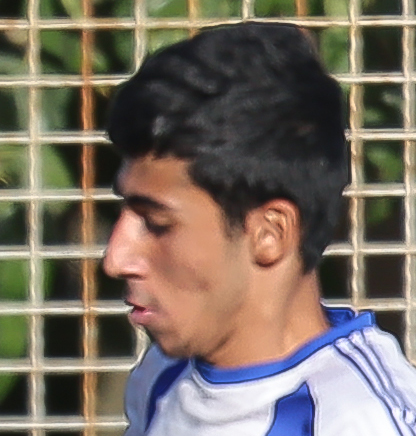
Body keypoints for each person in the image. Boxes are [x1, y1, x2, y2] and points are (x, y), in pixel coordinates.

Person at [103, 22, 416, 436]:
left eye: (157, 224)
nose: (115, 258)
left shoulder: (358, 422)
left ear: (270, 234)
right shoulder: (163, 375)